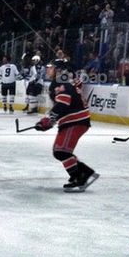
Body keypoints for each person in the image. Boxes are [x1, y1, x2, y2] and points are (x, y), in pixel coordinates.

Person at [34, 59, 98, 192]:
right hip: (74, 120)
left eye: (50, 67)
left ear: (58, 70)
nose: (47, 70)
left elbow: (63, 104)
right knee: (61, 151)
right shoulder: (62, 80)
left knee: (61, 151)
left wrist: (47, 121)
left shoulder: (59, 82)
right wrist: (49, 122)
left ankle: (81, 177)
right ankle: (84, 173)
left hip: (75, 120)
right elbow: (61, 106)